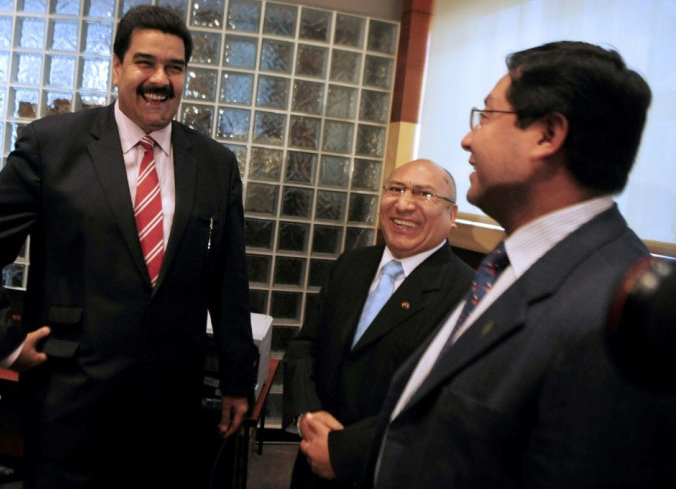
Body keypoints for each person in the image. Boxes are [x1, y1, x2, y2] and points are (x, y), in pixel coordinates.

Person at [0, 5, 257, 488]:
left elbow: (229, 282)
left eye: (174, 68)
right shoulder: (53, 146)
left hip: (169, 411)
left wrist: (239, 379)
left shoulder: (215, 164)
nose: (160, 79)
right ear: (116, 67)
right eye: (145, 62)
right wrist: (1, 343)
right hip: (70, 406)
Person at [362, 41, 676, 489]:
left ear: (548, 135)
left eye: (487, 117)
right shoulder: (511, 264)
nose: (467, 138)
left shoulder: (614, 319)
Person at [282, 159, 475, 488]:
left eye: (424, 194)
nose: (403, 203)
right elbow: (305, 347)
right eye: (395, 189)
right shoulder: (351, 265)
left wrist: (345, 451)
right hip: (313, 462)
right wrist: (307, 417)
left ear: (452, 215)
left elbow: (441, 408)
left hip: (389, 472)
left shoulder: (467, 294)